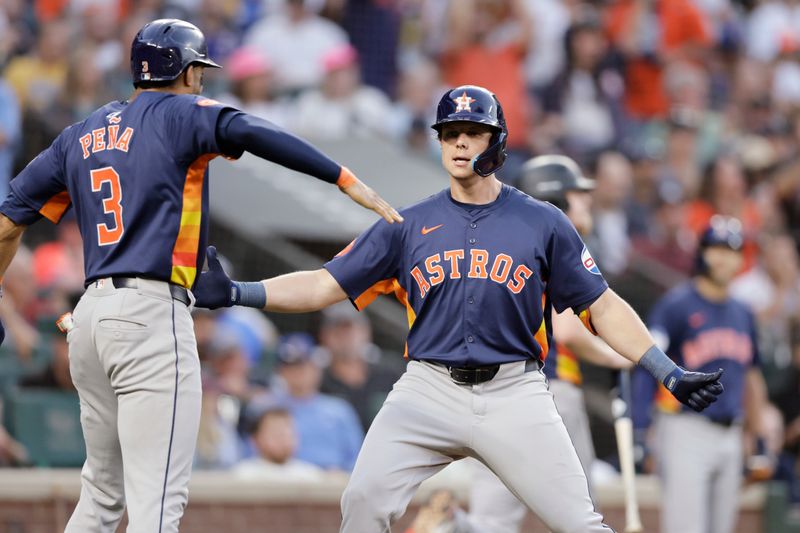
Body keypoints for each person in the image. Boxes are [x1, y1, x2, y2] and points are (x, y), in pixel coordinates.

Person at [193, 84, 724, 533]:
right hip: (428, 387)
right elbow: (324, 284)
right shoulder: (407, 225)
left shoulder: (542, 222)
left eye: (473, 132)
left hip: (516, 390)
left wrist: (665, 371)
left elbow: (602, 306)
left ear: (498, 142)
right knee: (362, 503)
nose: (460, 142)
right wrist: (242, 291)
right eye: (450, 132)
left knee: (581, 524)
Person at [0, 18, 401, 533]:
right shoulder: (179, 112)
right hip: (149, 315)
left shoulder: (82, 131)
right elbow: (252, 130)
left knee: (101, 495)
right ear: (184, 72)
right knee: (158, 502)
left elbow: (9, 221)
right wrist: (342, 178)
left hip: (89, 319)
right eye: (198, 70)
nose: (201, 80)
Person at [464, 155, 633, 533]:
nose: (587, 201)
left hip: (491, 391)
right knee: (582, 516)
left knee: (491, 518)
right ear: (553, 198)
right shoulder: (553, 244)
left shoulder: (499, 241)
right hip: (548, 389)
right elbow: (569, 330)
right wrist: (618, 355)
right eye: (578, 194)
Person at [632, 216, 769, 533]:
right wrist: (642, 428)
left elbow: (753, 378)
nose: (724, 257)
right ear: (702, 253)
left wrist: (758, 437)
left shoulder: (744, 313)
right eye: (716, 248)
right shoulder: (676, 305)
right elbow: (647, 364)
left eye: (732, 250)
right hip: (684, 429)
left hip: (731, 434)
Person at [253, 332, 364, 472]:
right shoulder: (265, 408)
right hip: (279, 481)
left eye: (303, 365)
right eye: (291, 367)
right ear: (280, 371)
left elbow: (359, 458)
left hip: (331, 484)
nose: (298, 373)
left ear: (316, 368)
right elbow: (250, 453)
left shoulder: (339, 410)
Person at [232, 404, 323, 482]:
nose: (283, 438)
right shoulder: (243, 475)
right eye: (276, 433)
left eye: (288, 433)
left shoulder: (311, 476)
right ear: (255, 439)